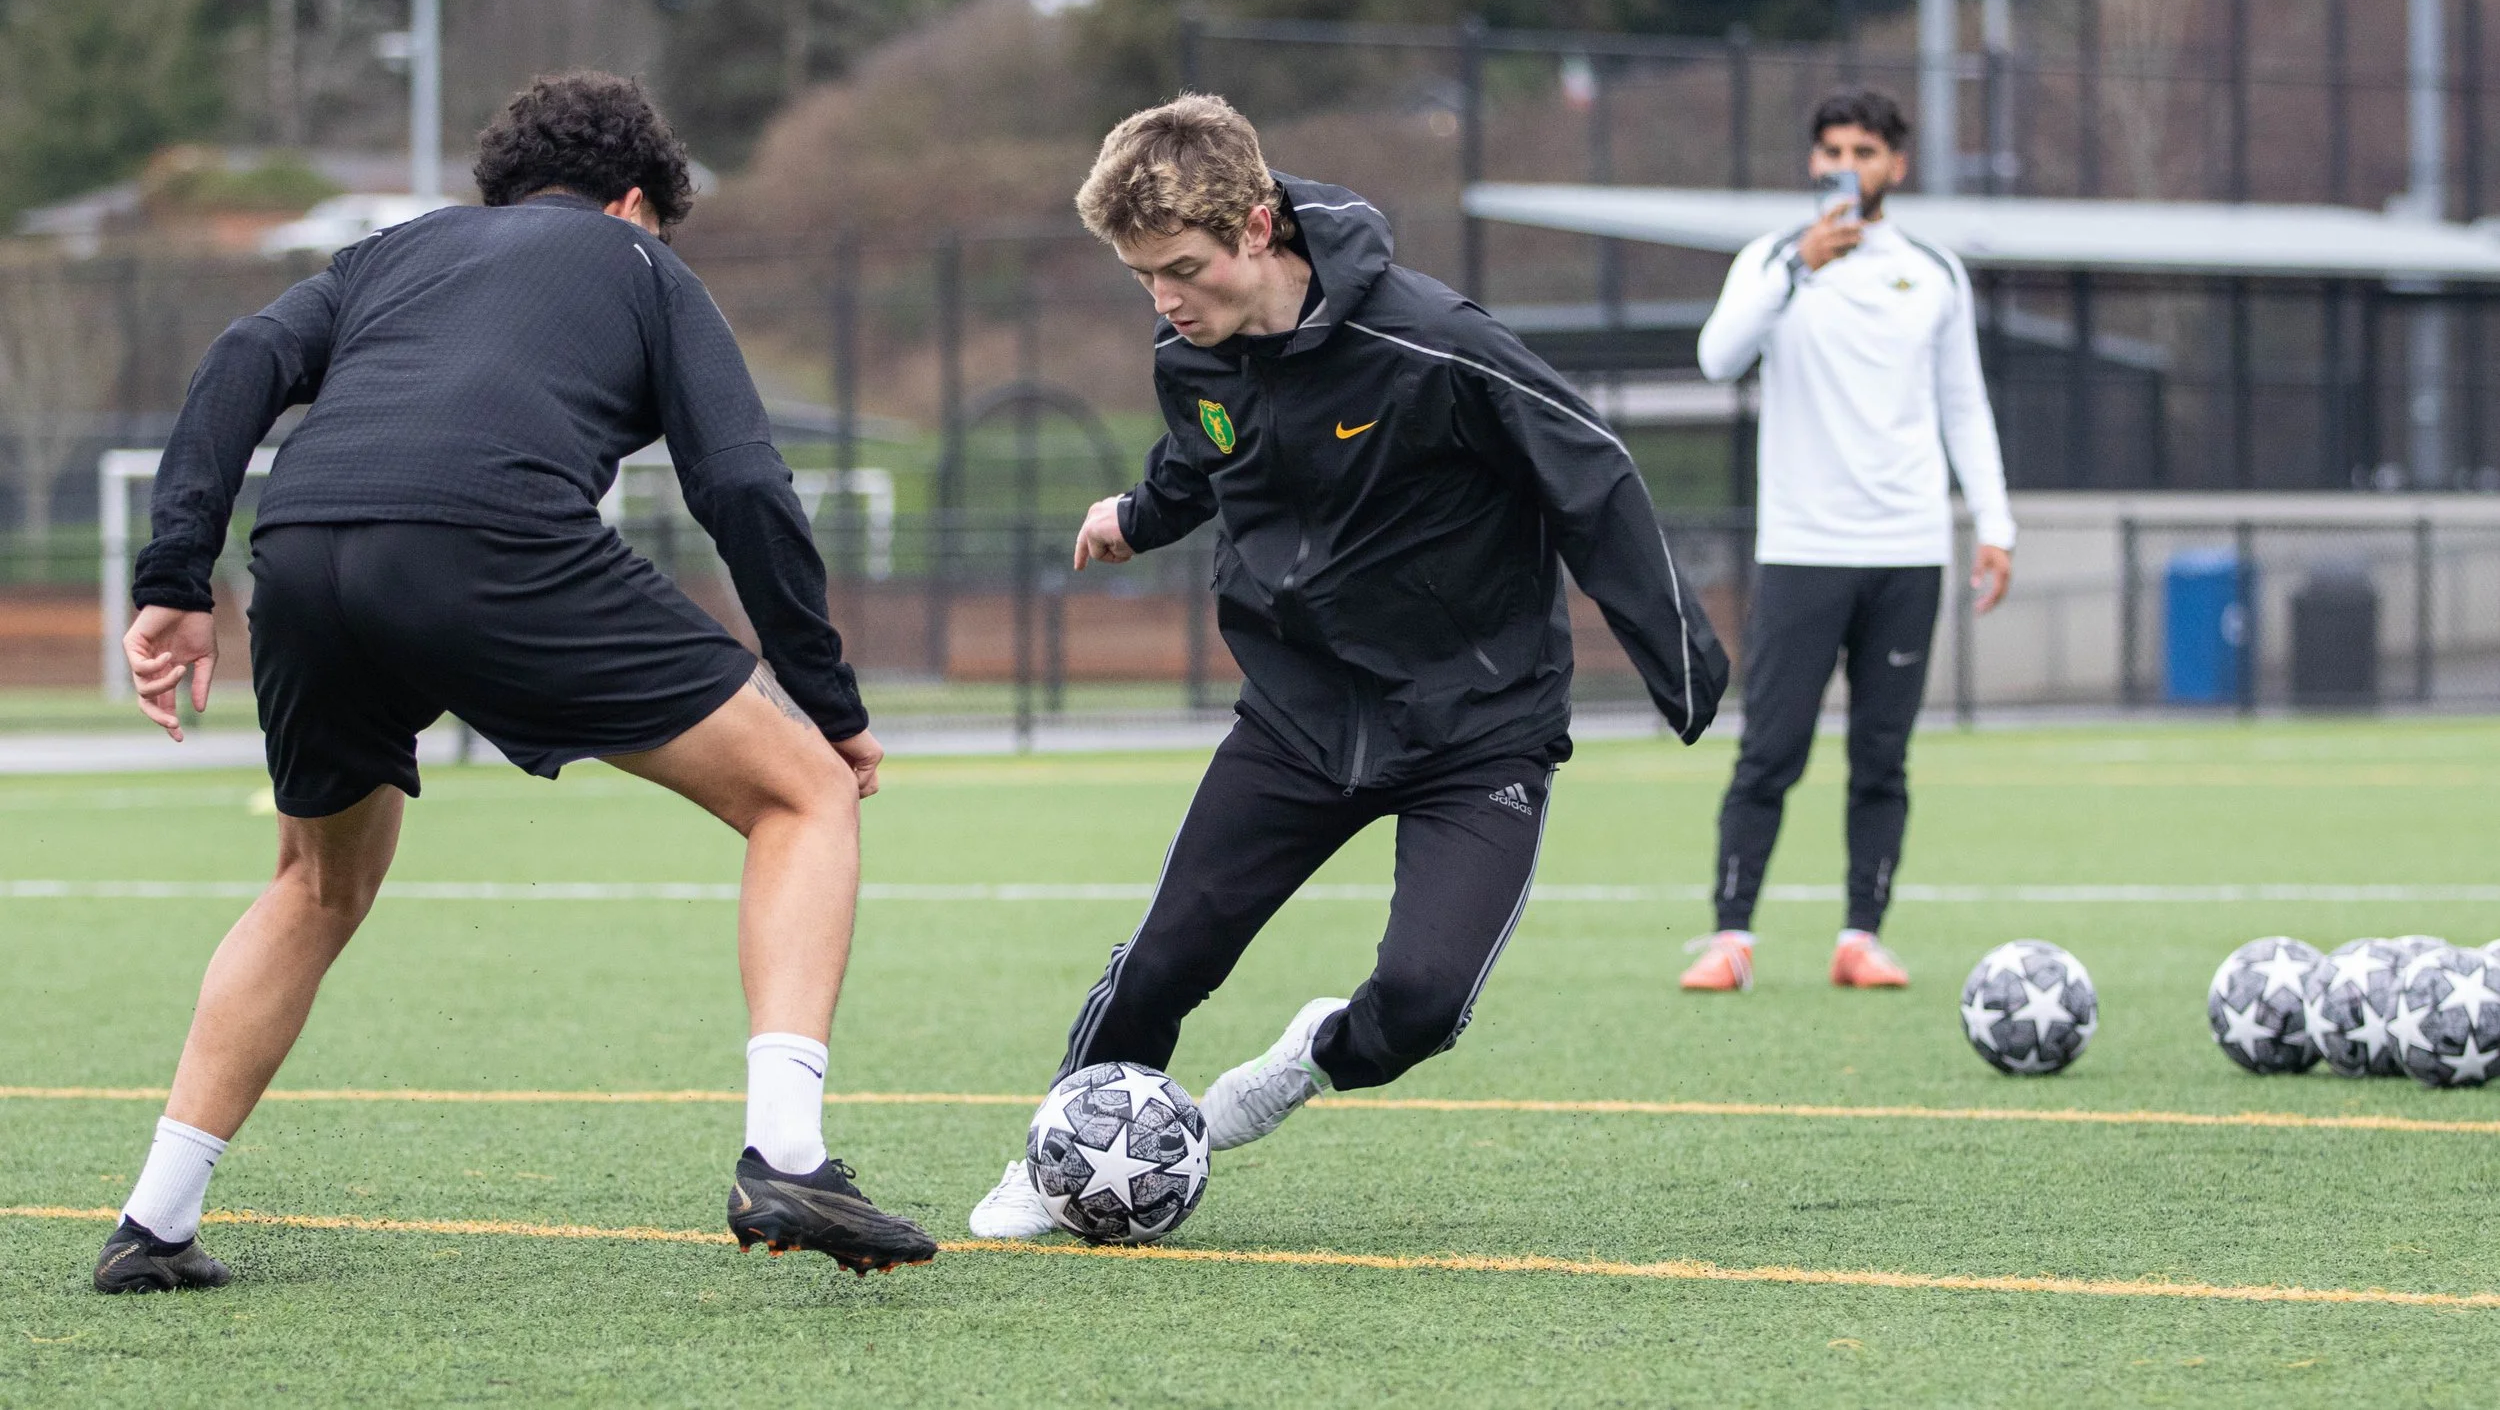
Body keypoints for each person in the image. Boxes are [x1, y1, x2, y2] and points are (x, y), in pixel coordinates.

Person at [95, 72, 936, 1293]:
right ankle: (788, 1154)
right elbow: (745, 485)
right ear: (636, 201)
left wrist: (175, 574)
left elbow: (242, 356)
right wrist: (832, 708)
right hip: (490, 541)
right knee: (802, 795)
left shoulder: (390, 254)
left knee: (314, 883)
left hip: (304, 552)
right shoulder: (643, 266)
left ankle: (153, 1220)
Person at [967, 95, 1728, 1237]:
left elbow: (1591, 468)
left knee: (1423, 1002)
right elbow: (1205, 452)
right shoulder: (1192, 352)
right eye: (1142, 278)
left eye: (1181, 269)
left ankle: (1309, 1057)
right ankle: (1055, 1159)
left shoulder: (1432, 342)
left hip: (1476, 727)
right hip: (1299, 714)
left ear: (1256, 226)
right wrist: (1137, 513)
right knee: (1165, 959)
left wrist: (1677, 655)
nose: (1164, 300)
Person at [1678, 89, 2015, 994]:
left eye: (1864, 151)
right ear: (1812, 161)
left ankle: (1861, 936)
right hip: (1803, 549)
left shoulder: (1934, 272)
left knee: (1881, 757)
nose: (1846, 165)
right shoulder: (1771, 261)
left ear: (1895, 165)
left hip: (1908, 549)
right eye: (1831, 149)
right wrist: (1799, 266)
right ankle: (1730, 937)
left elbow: (1964, 405)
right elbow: (1717, 356)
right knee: (1771, 750)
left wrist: (1995, 523)